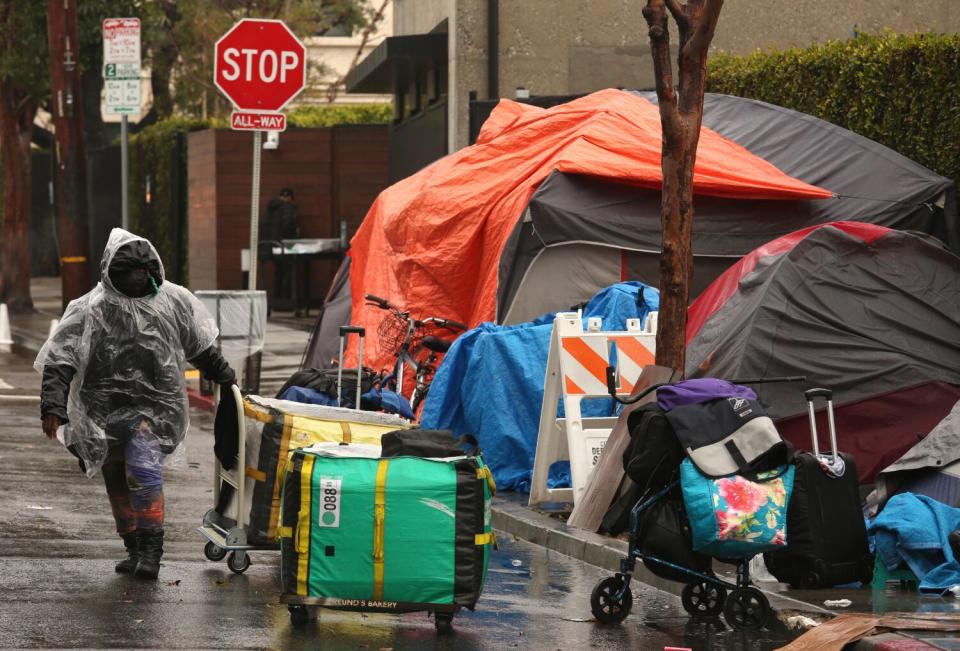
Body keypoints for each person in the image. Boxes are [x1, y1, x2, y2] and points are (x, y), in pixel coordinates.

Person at [36, 228, 236, 580]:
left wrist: (225, 375)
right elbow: (61, 359)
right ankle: (133, 545)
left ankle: (151, 551)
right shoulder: (89, 308)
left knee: (143, 475)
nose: (136, 281)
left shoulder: (172, 301)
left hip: (155, 412)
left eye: (142, 275)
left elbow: (200, 347)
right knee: (115, 477)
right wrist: (53, 406)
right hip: (104, 411)